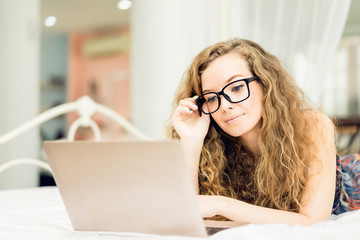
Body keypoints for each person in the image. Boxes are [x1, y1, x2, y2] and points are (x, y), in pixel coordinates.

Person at [165, 38, 360, 225]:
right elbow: (188, 213)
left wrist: (222, 205)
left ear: (266, 83)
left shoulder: (312, 124)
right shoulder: (212, 144)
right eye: (212, 98)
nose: (225, 105)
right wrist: (191, 141)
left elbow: (313, 221)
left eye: (237, 87)